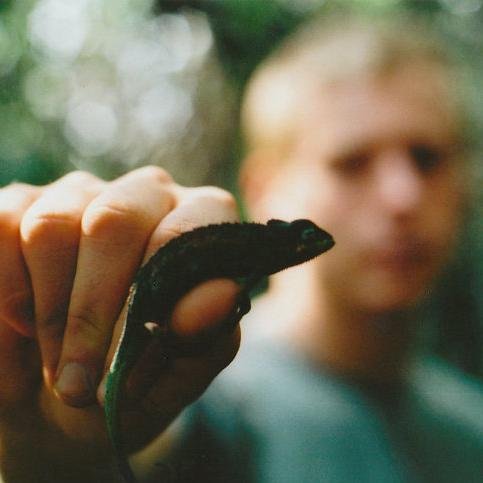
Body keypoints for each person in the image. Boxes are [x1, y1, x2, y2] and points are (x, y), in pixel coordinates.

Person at [0, 12, 481, 483]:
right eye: (350, 162)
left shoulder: (469, 423)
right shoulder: (204, 389)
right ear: (264, 188)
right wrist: (53, 463)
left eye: (427, 157)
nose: (403, 197)